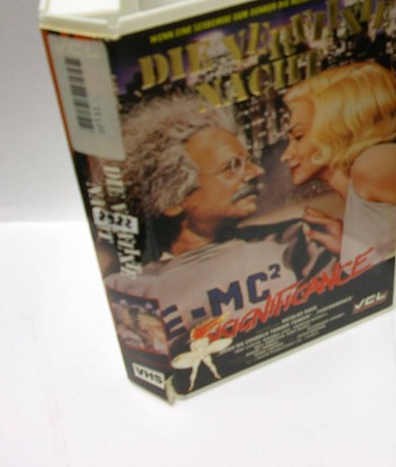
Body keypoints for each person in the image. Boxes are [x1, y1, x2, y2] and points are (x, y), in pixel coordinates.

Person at [104, 92, 334, 360]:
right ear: (173, 199)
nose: (257, 172)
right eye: (232, 166)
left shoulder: (297, 240)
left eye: (249, 160)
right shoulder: (130, 290)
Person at [280, 61, 396, 268]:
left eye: (299, 136)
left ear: (336, 128)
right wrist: (350, 247)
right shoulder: (359, 190)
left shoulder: (375, 163)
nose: (285, 155)